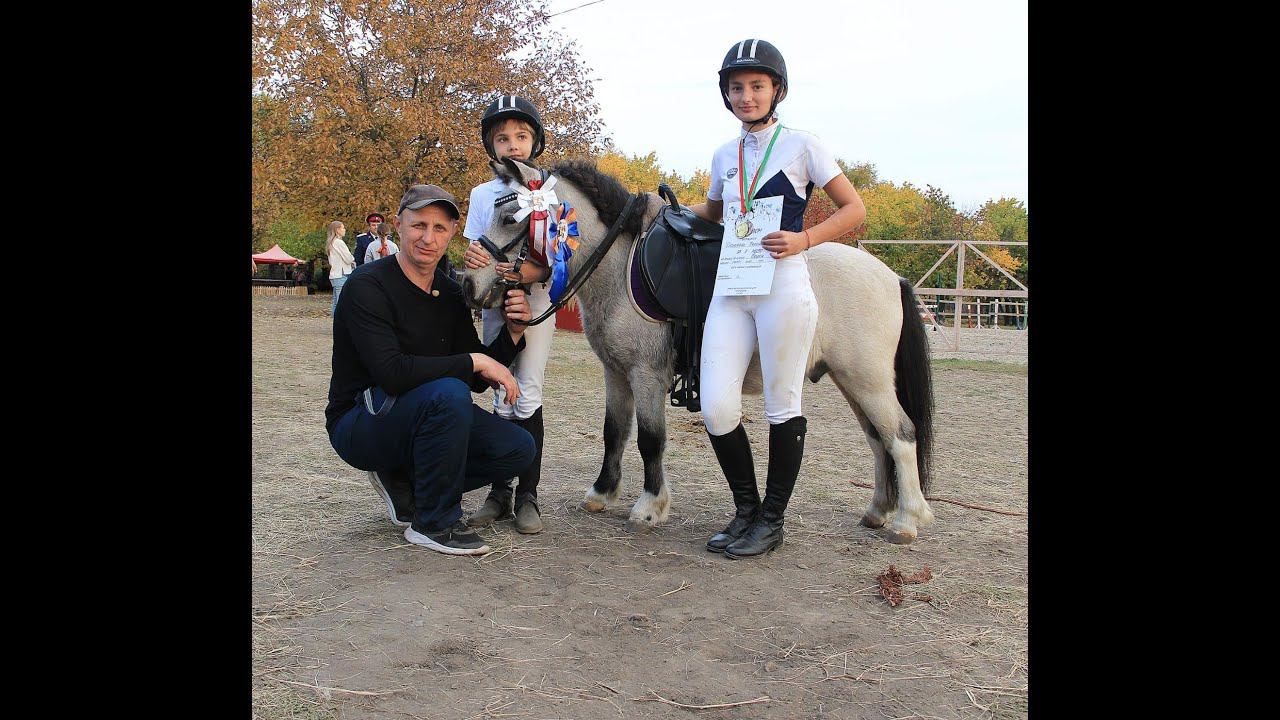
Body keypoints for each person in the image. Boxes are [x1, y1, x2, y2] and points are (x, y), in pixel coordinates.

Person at [687, 39, 867, 559]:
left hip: (782, 285)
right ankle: (745, 511)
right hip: (732, 288)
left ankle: (772, 520)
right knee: (715, 406)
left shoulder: (803, 145)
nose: (746, 96)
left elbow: (853, 209)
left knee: (781, 404)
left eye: (756, 86)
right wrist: (659, 209)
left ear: (776, 90)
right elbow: (714, 212)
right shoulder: (724, 154)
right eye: (736, 87)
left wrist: (804, 239)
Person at [326, 184, 537, 556]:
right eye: (418, 225)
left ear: (453, 232)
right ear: (398, 225)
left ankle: (407, 483)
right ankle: (434, 523)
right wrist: (475, 362)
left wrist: (513, 333)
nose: (428, 238)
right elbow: (392, 373)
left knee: (517, 448)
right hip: (361, 421)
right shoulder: (366, 286)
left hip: (428, 411)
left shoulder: (449, 292)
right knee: (448, 393)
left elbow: (475, 377)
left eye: (439, 228)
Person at [461, 94, 557, 534]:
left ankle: (528, 495)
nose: (512, 144)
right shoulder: (482, 194)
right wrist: (476, 262)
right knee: (501, 386)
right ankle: (499, 492)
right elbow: (477, 249)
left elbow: (561, 256)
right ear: (491, 146)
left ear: (534, 141)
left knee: (529, 387)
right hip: (496, 300)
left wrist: (527, 273)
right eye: (502, 138)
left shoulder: (549, 190)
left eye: (521, 136)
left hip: (536, 300)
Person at [326, 221, 357, 314]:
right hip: (341, 274)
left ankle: (336, 321)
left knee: (336, 302)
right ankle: (340, 321)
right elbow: (348, 258)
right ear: (337, 230)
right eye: (342, 228)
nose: (344, 230)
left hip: (335, 274)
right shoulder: (339, 242)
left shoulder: (331, 243)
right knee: (342, 302)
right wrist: (352, 259)